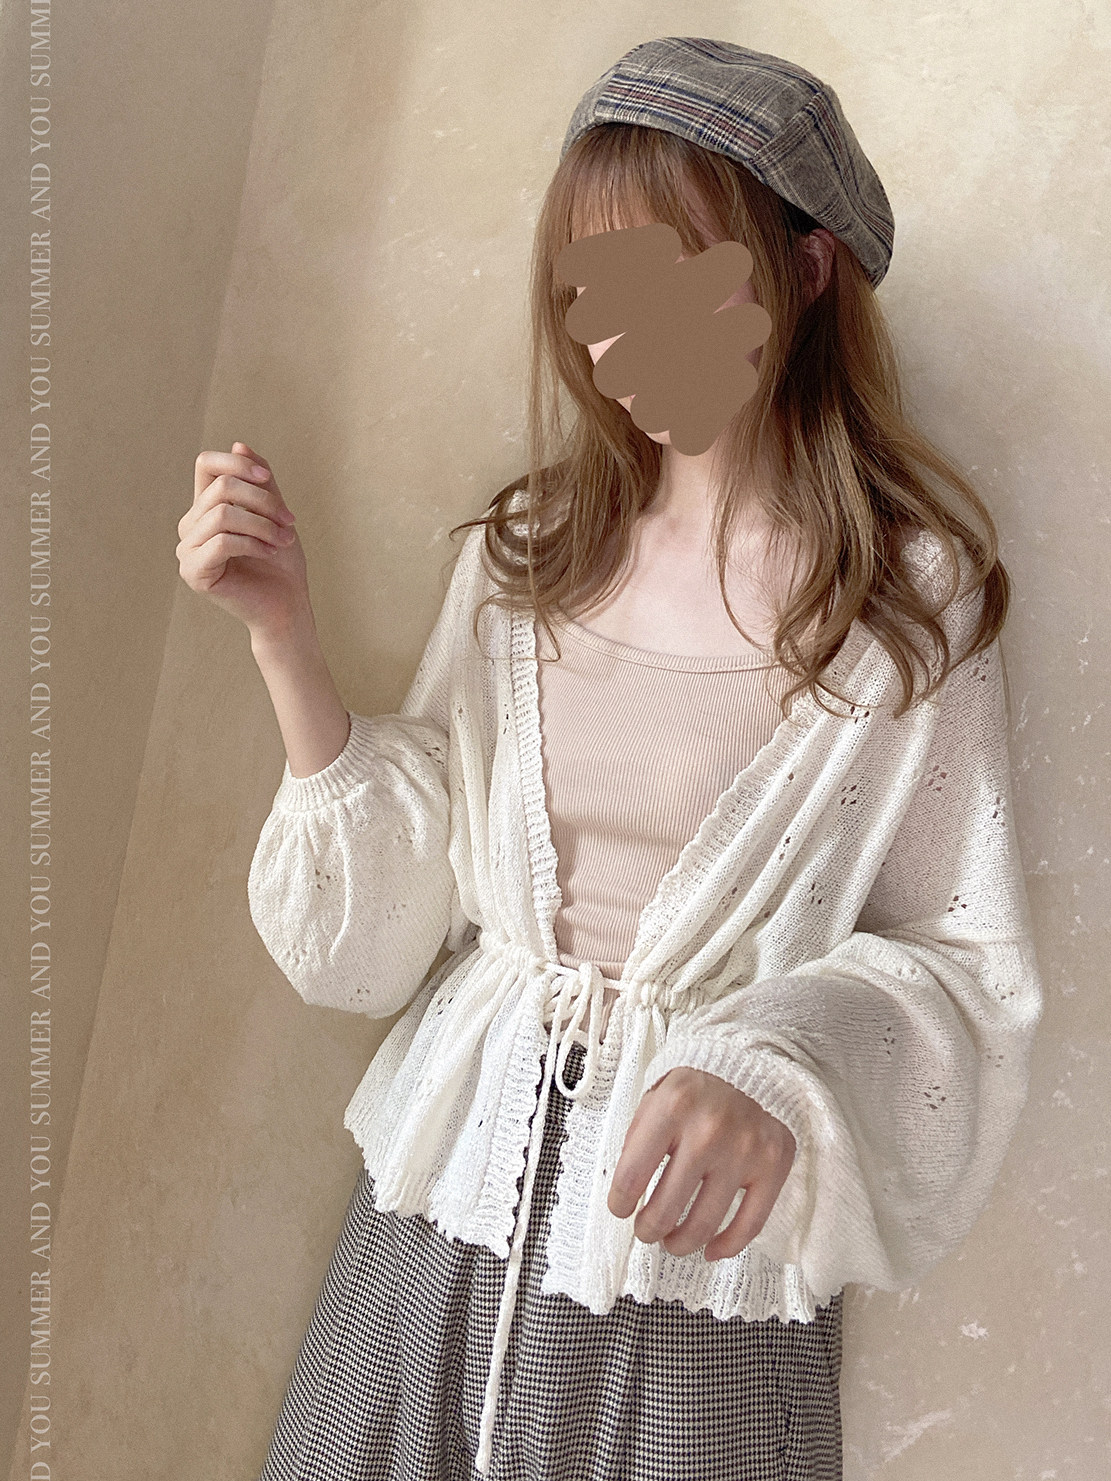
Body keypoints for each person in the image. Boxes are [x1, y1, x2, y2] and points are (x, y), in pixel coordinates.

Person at [176, 37, 1044, 1481]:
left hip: (692, 1283)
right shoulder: (531, 557)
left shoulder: (905, 607)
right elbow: (385, 945)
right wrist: (286, 640)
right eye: (594, 290)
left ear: (805, 271)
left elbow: (965, 967)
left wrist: (773, 1062)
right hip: (432, 1234)